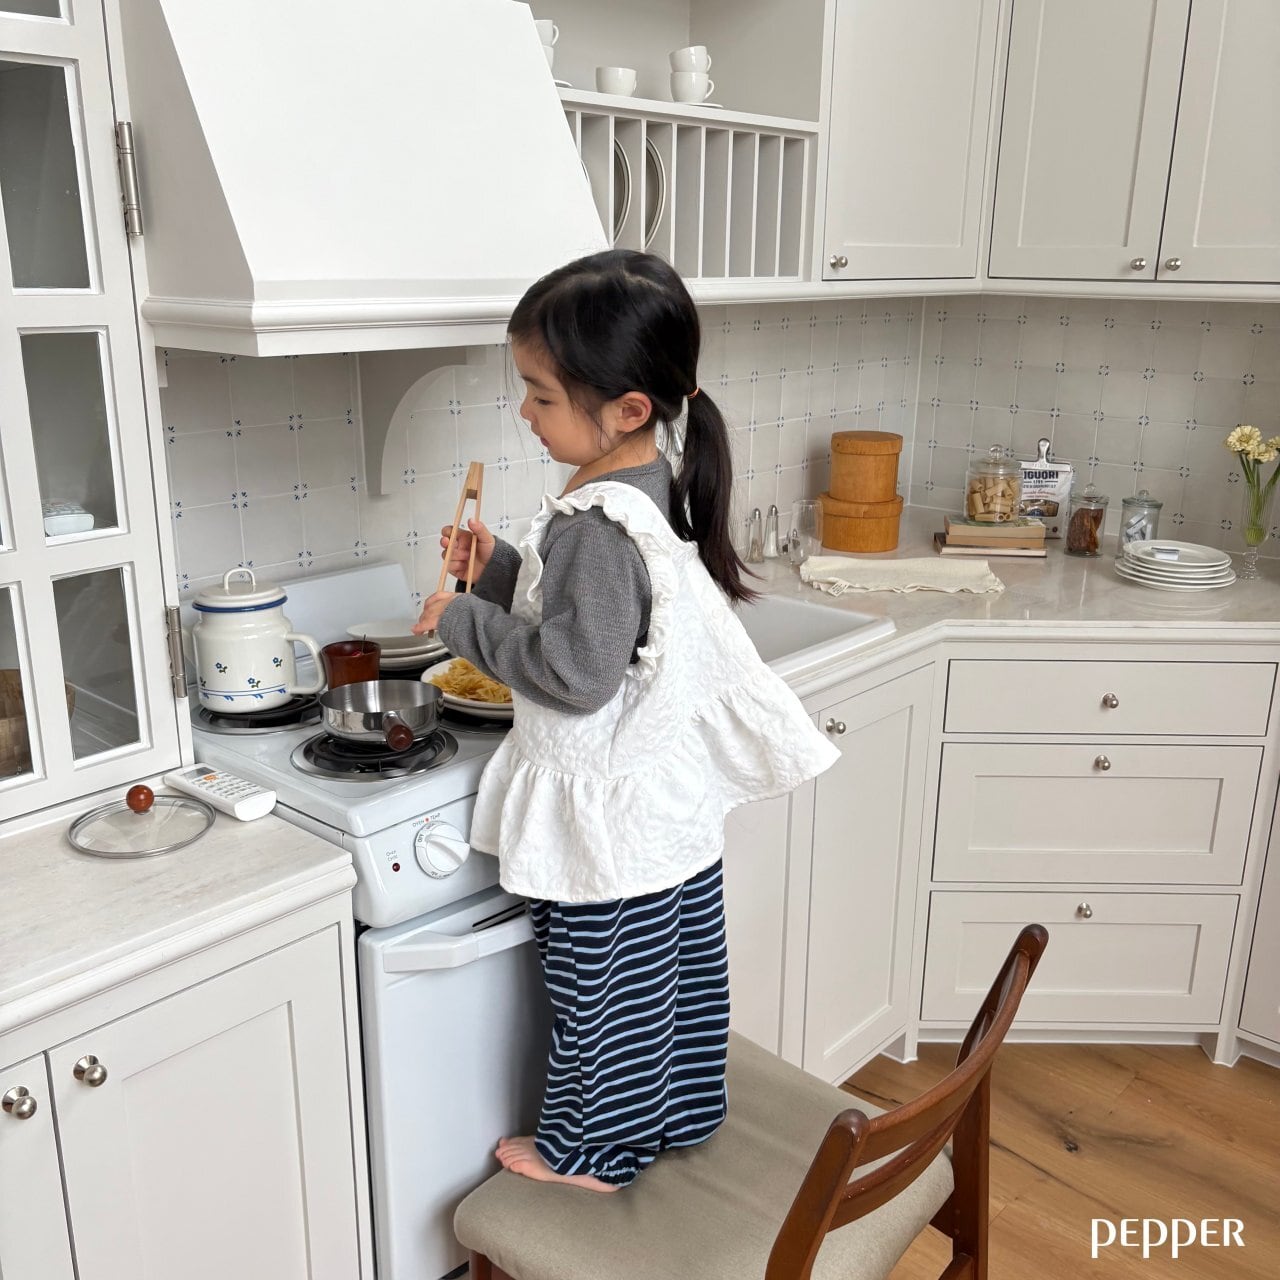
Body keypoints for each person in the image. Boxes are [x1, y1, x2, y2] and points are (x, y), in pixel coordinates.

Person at [413, 249, 838, 1192]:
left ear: (629, 409)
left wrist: (460, 617)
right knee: (674, 979)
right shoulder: (643, 485)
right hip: (658, 806)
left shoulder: (594, 524)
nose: (524, 412)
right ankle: (683, 1112)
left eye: (541, 395)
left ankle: (594, 1157)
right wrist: (498, 569)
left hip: (604, 811)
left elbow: (574, 671)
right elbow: (599, 618)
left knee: (602, 1000)